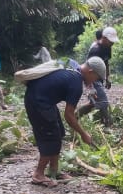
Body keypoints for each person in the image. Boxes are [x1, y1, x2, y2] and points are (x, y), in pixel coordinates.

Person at [23, 57, 103, 186]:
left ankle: (54, 170)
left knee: (59, 132)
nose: (95, 81)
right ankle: (38, 174)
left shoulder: (72, 64)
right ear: (91, 71)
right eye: (96, 78)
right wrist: (83, 134)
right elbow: (69, 116)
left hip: (41, 97)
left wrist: (90, 90)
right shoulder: (76, 83)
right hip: (38, 102)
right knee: (50, 138)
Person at [77, 27, 117, 126]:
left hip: (100, 76)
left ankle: (75, 116)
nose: (112, 43)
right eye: (110, 41)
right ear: (104, 38)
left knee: (94, 103)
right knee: (103, 101)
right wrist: (90, 87)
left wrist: (107, 78)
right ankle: (107, 125)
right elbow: (87, 70)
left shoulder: (108, 47)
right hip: (92, 78)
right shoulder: (95, 50)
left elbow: (106, 63)